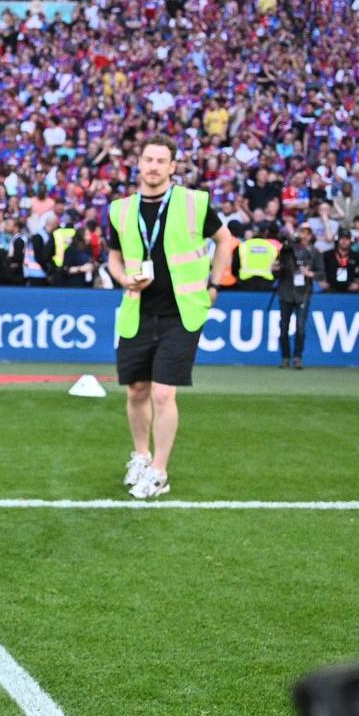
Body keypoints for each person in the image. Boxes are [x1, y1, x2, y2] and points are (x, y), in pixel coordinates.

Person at [103, 136, 237, 501]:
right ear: (139, 163)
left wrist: (215, 284)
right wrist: (122, 278)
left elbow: (225, 240)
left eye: (161, 161)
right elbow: (113, 256)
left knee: (163, 393)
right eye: (148, 159)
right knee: (136, 390)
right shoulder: (121, 210)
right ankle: (141, 457)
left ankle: (160, 472)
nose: (153, 166)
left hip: (181, 312)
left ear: (172, 167)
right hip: (137, 310)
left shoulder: (194, 202)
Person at [276, 225, 322, 370]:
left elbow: (321, 273)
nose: (304, 236)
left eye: (307, 234)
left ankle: (297, 357)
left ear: (311, 236)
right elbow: (279, 270)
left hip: (303, 293)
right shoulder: (287, 250)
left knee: (300, 327)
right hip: (286, 291)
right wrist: (276, 268)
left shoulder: (314, 252)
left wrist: (310, 273)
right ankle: (285, 357)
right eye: (302, 232)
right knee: (284, 327)